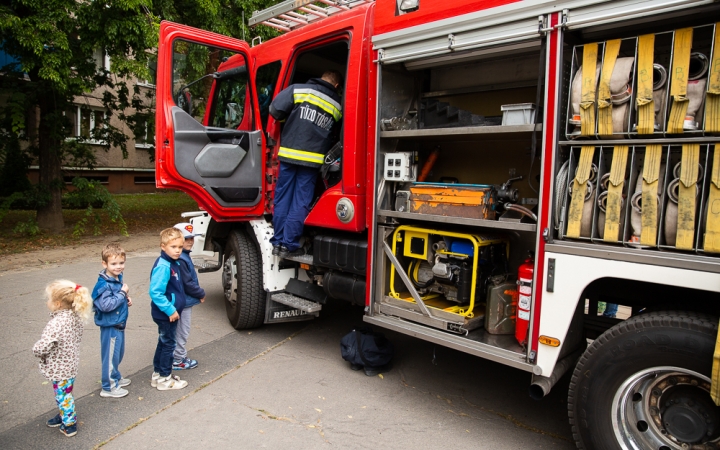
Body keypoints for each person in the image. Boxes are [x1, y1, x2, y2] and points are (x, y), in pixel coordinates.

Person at [269, 69, 343, 258]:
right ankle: (289, 245)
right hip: (311, 162)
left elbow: (275, 110)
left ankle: (277, 242)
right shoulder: (337, 106)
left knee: (282, 198)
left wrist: (291, 120)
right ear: (336, 86)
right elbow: (337, 135)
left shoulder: (298, 90)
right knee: (300, 202)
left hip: (288, 156)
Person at [32, 280, 93, 438]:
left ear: (58, 303)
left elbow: (44, 346)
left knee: (63, 395)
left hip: (60, 366)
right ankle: (63, 414)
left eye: (49, 300)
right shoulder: (74, 315)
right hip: (70, 362)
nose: (47, 302)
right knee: (65, 392)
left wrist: (36, 349)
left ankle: (69, 424)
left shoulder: (57, 323)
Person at [148, 227, 189, 390]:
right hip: (166, 314)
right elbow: (155, 292)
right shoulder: (164, 266)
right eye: (174, 247)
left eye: (180, 247)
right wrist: (170, 310)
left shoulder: (173, 263)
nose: (178, 250)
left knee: (163, 342)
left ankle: (158, 374)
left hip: (168, 313)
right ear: (163, 246)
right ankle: (165, 378)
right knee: (169, 344)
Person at [91, 243, 132, 398]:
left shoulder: (116, 278)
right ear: (105, 264)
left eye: (121, 263)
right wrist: (122, 293)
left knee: (117, 354)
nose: (118, 267)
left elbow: (116, 299)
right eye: (114, 264)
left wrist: (125, 299)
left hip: (119, 324)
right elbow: (106, 305)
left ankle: (115, 377)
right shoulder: (103, 284)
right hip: (110, 326)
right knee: (110, 357)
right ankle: (108, 387)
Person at [172, 222, 206, 370]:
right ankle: (178, 359)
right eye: (186, 239)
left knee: (178, 330)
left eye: (192, 238)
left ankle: (176, 355)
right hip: (184, 302)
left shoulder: (183, 256)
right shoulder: (181, 259)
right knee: (182, 330)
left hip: (182, 301)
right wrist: (200, 293)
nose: (190, 241)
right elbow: (187, 283)